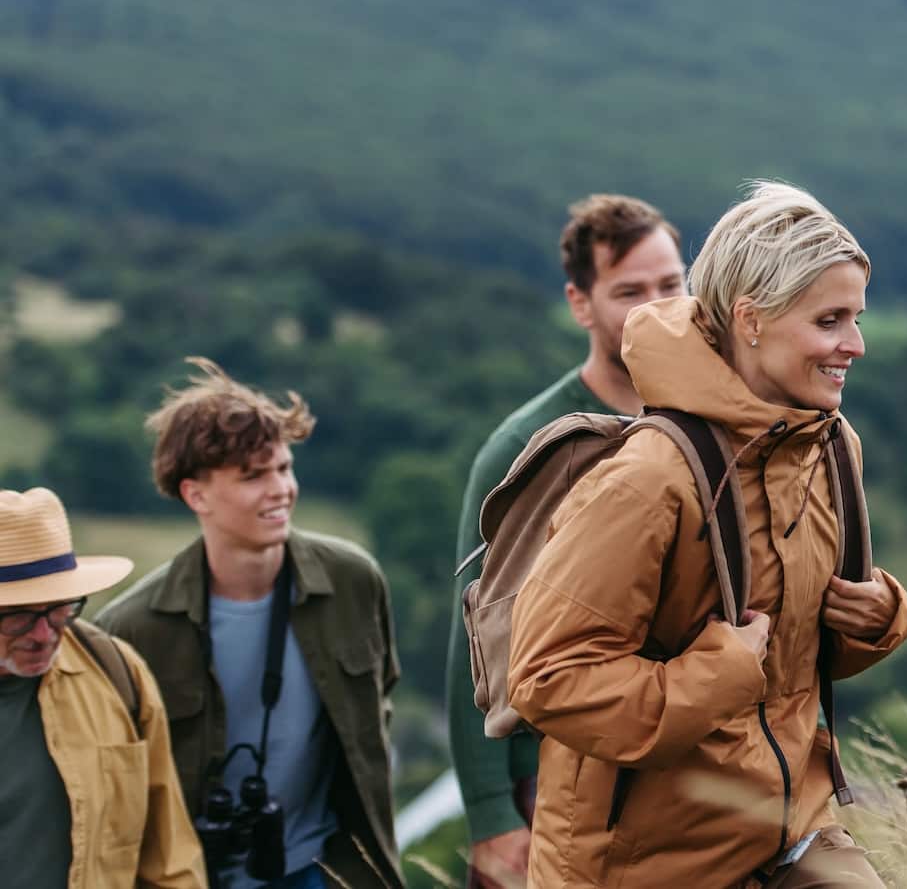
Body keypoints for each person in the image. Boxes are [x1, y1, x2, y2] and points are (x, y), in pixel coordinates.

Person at [507, 181, 907, 887]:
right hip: (646, 864)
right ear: (751, 320)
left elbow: (790, 656)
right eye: (830, 320)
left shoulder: (829, 447)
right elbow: (547, 677)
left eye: (856, 317)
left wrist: (880, 618)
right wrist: (716, 673)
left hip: (792, 829)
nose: (857, 343)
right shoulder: (649, 478)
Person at [446, 193, 686, 887]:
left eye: (672, 284)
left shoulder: (717, 421)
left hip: (682, 764)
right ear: (581, 303)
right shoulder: (528, 446)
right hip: (551, 775)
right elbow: (477, 637)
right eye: (630, 291)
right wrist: (493, 815)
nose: (658, 306)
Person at [99, 358, 402, 888]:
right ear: (196, 495)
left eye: (284, 468)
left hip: (325, 868)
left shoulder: (354, 582)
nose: (280, 489)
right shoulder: (129, 631)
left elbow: (379, 705)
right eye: (253, 476)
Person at [0, 486, 206, 889]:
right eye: (18, 615)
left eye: (60, 608)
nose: (44, 634)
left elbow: (169, 860)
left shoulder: (116, 673)